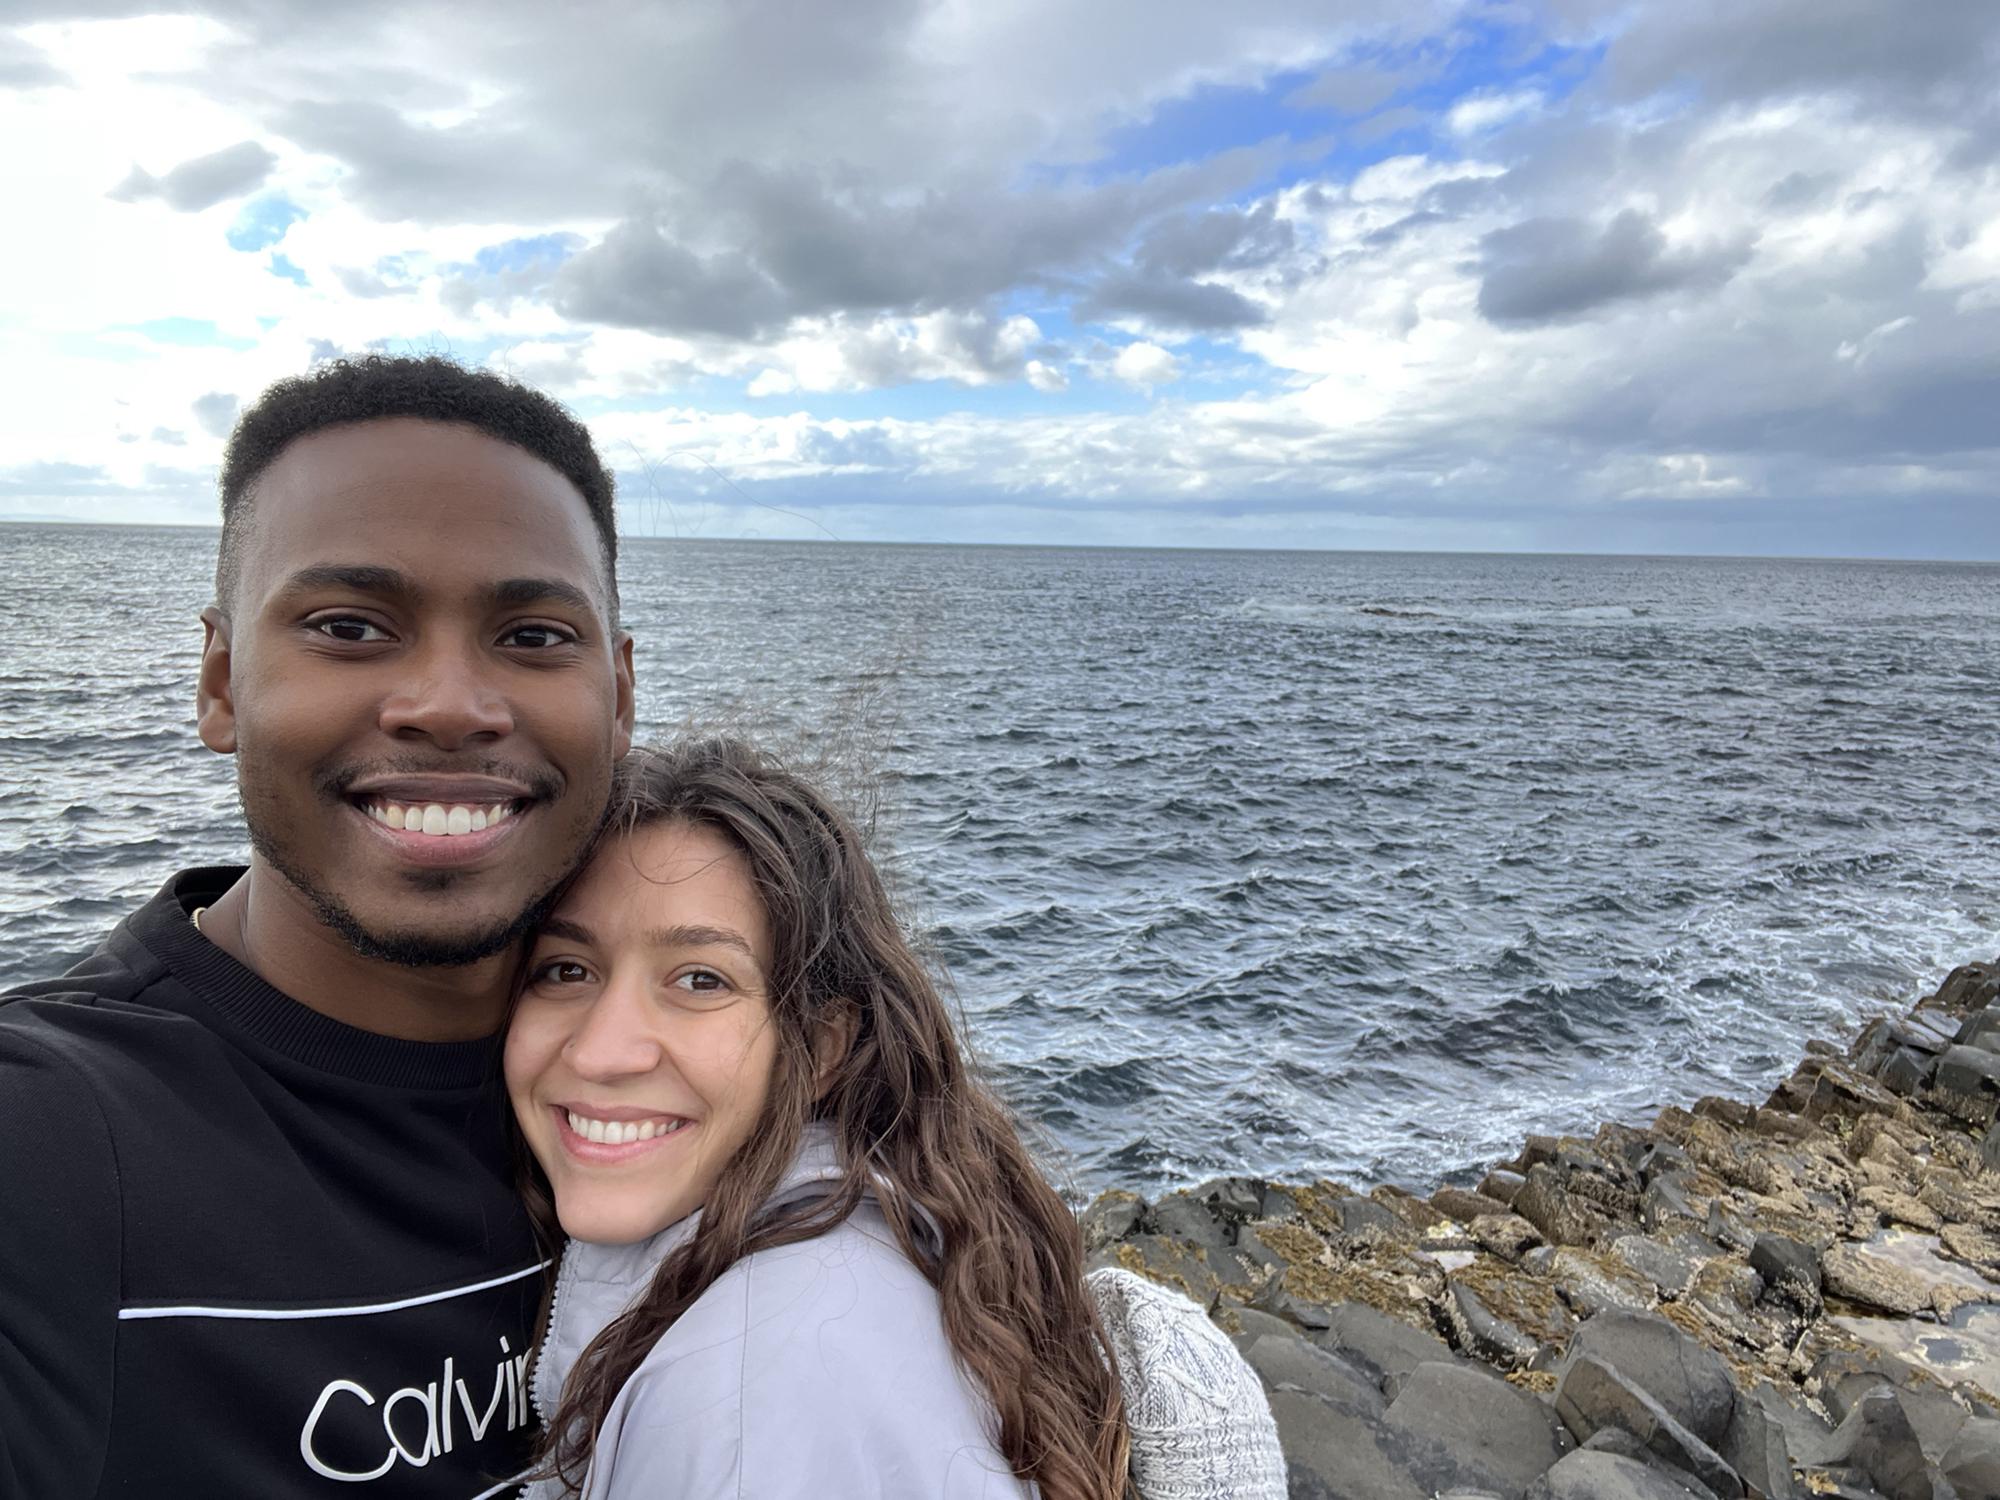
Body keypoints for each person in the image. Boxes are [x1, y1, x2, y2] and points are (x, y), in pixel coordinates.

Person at [0, 354, 635, 1495]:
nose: (449, 705)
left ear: (620, 697)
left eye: (534, 637)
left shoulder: (699, 1074)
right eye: (349, 625)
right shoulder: (51, 1141)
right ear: (221, 683)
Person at [508, 736, 1286, 1499]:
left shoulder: (744, 1397)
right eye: (566, 969)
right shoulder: (898, 1238)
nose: (604, 1050)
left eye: (701, 980)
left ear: (818, 1048)